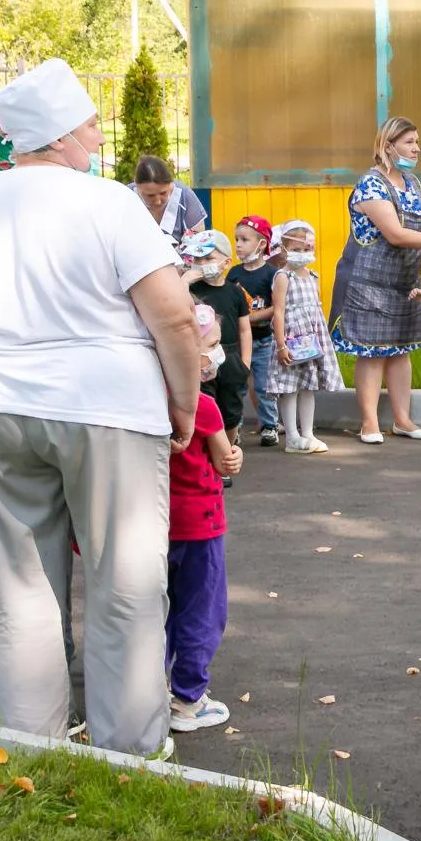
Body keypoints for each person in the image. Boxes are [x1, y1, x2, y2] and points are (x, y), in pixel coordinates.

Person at [0, 58, 203, 756]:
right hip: (107, 403)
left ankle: (25, 745)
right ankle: (131, 749)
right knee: (124, 579)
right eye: (91, 125)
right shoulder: (106, 202)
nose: (100, 135)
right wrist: (185, 405)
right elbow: (171, 315)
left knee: (14, 586)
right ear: (63, 137)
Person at [332, 117, 421, 443]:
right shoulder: (370, 185)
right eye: (410, 142)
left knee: (400, 351)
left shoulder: (414, 183)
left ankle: (402, 420)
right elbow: (396, 235)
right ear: (388, 146)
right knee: (372, 353)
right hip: (368, 284)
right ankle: (369, 423)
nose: (417, 148)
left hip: (405, 283)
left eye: (417, 141)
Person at [168, 305, 242, 732]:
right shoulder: (204, 407)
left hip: (160, 522)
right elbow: (223, 462)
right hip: (201, 524)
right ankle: (189, 699)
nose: (218, 354)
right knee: (201, 610)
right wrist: (234, 455)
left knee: (160, 610)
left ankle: (151, 686)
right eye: (211, 346)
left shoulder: (152, 401)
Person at [265, 219, 345, 454]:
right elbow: (278, 311)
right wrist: (281, 345)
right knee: (290, 388)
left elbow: (315, 310)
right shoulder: (283, 277)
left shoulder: (313, 276)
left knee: (308, 385)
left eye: (307, 249)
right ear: (285, 249)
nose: (302, 254)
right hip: (290, 340)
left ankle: (307, 433)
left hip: (310, 341)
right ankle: (291, 437)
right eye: (297, 249)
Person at [182, 230, 252, 436]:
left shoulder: (235, 291)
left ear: (226, 261)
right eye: (198, 259)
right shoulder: (192, 290)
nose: (202, 263)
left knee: (231, 413)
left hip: (229, 356)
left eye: (209, 258)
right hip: (202, 358)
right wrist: (185, 281)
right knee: (204, 408)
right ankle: (207, 455)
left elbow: (245, 329)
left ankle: (228, 454)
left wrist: (244, 363)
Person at [228, 215, 283, 446]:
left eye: (244, 239)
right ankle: (234, 426)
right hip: (239, 342)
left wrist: (249, 317)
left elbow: (275, 308)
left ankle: (269, 425)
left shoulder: (271, 274)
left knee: (263, 385)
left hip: (263, 341)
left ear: (261, 244)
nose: (238, 245)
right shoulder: (234, 274)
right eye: (236, 239)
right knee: (237, 385)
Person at [130, 154, 207, 254]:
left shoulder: (184, 196)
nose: (158, 201)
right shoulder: (127, 197)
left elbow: (198, 239)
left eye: (163, 193)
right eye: (150, 196)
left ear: (171, 184)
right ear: (137, 187)